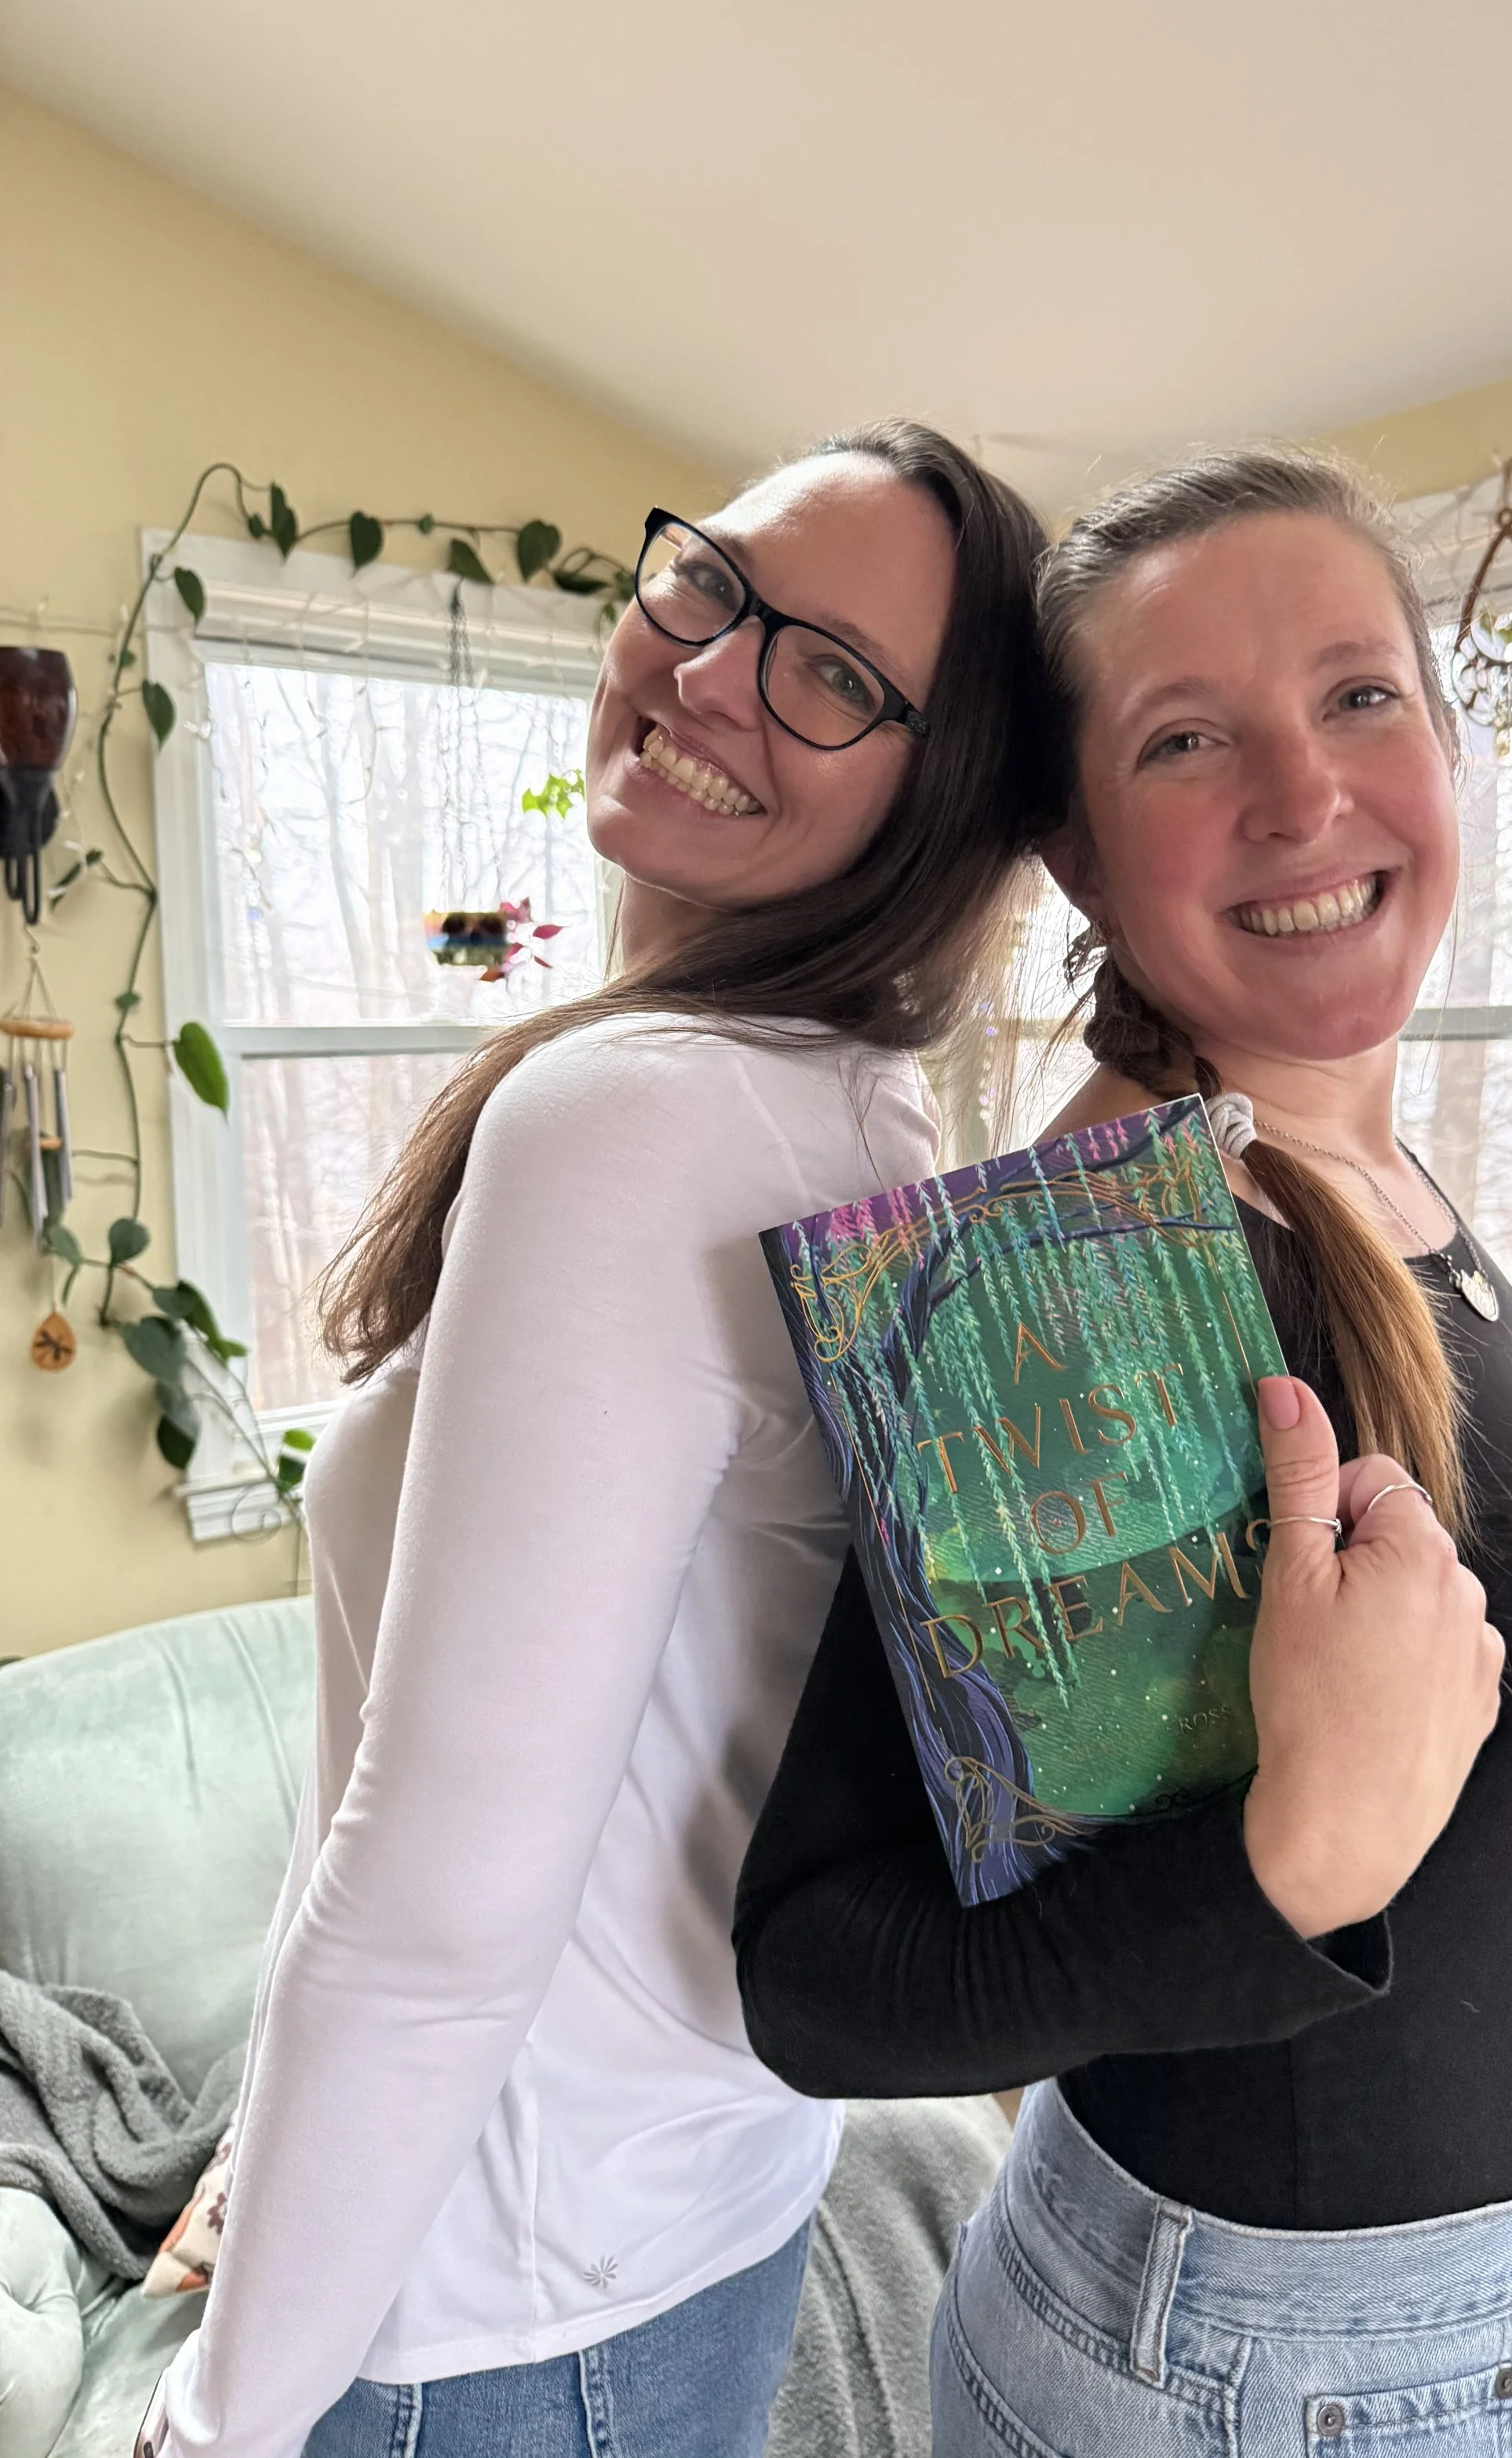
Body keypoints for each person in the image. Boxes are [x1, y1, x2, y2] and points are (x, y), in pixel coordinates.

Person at [734, 449, 1512, 2456]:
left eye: (1358, 694)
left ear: (1444, 738)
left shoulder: (1361, 1159)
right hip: (1267, 2375)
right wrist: (1287, 1865)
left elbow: (1493, 1829)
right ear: (1077, 855)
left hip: (1498, 2279)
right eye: (1187, 737)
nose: (1302, 795)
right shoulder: (1081, 1286)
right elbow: (822, 1977)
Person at [137, 425, 1050, 2458]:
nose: (716, 669)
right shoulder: (848, 1105)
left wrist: (216, 2414)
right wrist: (275, 2155)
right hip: (672, 2226)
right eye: (709, 583)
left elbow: (441, 1900)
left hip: (484, 2310)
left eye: (833, 674)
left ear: (939, 796)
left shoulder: (639, 1124)